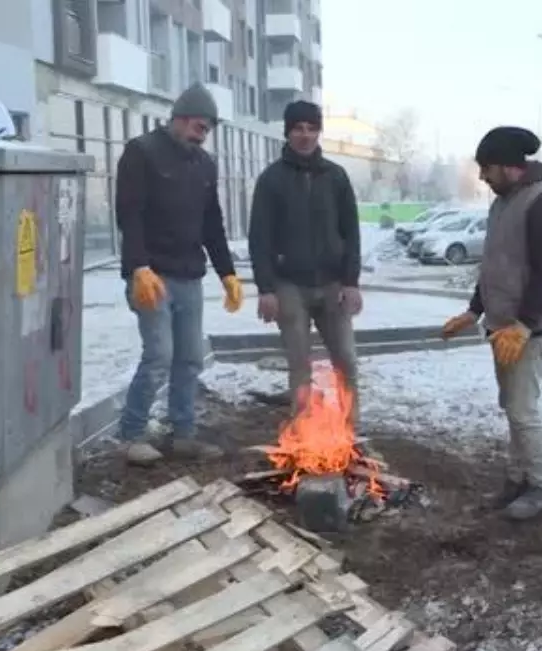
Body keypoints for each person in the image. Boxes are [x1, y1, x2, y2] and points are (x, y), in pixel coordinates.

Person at [442, 126, 542, 521]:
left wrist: (525, 325)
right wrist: (474, 310)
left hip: (530, 329)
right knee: (511, 406)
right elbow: (495, 266)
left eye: (488, 168)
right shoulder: (502, 204)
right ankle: (518, 478)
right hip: (502, 327)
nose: (482, 177)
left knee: (522, 408)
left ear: (512, 167)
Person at [114, 83, 243, 463]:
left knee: (189, 358)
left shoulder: (204, 165)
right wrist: (138, 266)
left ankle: (181, 432)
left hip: (189, 276)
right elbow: (129, 214)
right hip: (151, 276)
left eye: (206, 130)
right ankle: (131, 434)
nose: (201, 135)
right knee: (159, 354)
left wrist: (227, 273)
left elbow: (212, 223)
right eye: (197, 126)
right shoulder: (141, 153)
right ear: (179, 118)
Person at [248, 100, 363, 424]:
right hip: (289, 286)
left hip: (332, 285)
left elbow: (351, 232)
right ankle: (302, 435)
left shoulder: (336, 177)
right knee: (300, 364)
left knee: (346, 361)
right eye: (298, 128)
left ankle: (349, 432)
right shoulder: (271, 180)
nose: (305, 135)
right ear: (288, 133)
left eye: (312, 128)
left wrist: (351, 281)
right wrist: (266, 288)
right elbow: (260, 238)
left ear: (319, 132)